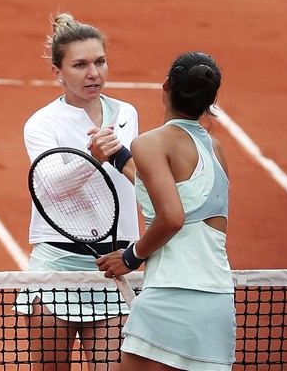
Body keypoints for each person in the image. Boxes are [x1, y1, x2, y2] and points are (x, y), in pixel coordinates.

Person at [93, 51, 236, 371]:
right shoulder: (216, 149)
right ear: (210, 100)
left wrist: (130, 257)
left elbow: (172, 216)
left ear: (166, 86)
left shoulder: (151, 143)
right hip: (217, 301)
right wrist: (117, 154)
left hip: (172, 296)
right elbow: (171, 192)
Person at [18, 12, 140, 371]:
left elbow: (136, 177)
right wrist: (94, 158)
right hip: (57, 269)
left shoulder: (126, 113)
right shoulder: (41, 124)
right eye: (81, 64)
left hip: (113, 269)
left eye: (100, 62)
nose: (94, 73)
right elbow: (50, 188)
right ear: (58, 72)